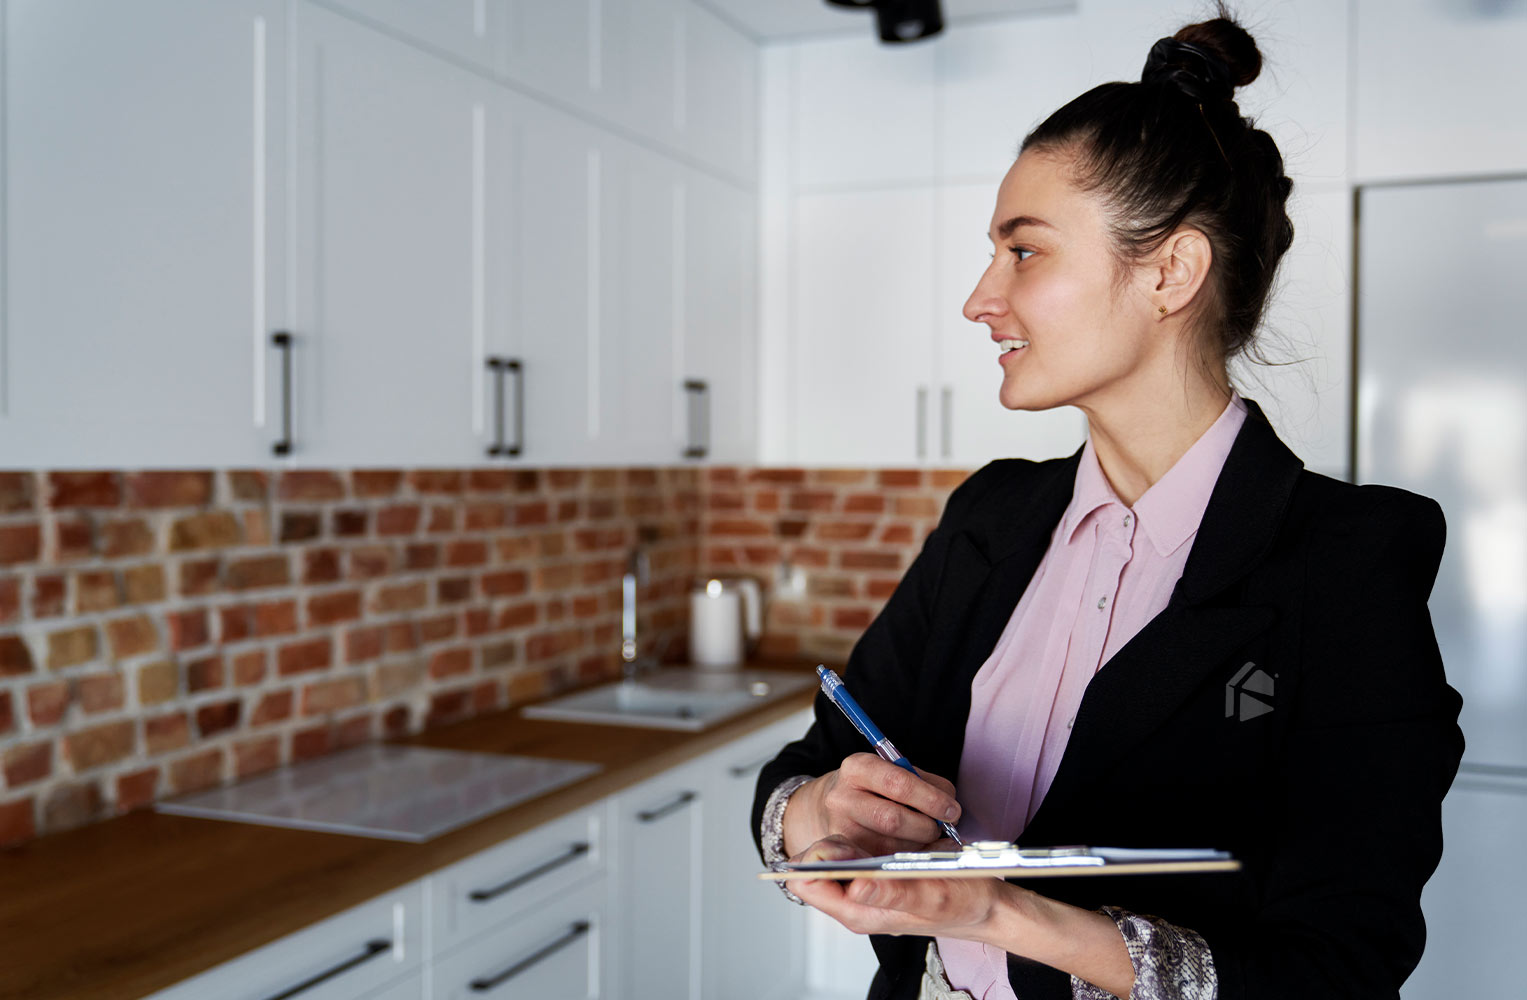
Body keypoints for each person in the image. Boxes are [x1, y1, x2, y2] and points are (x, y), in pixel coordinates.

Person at [750, 6, 1466, 1000]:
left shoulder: (1347, 560)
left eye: (1025, 251)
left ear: (1170, 271)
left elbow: (1339, 967)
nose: (979, 297)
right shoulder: (991, 517)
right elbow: (801, 770)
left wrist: (1001, 912)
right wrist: (819, 810)